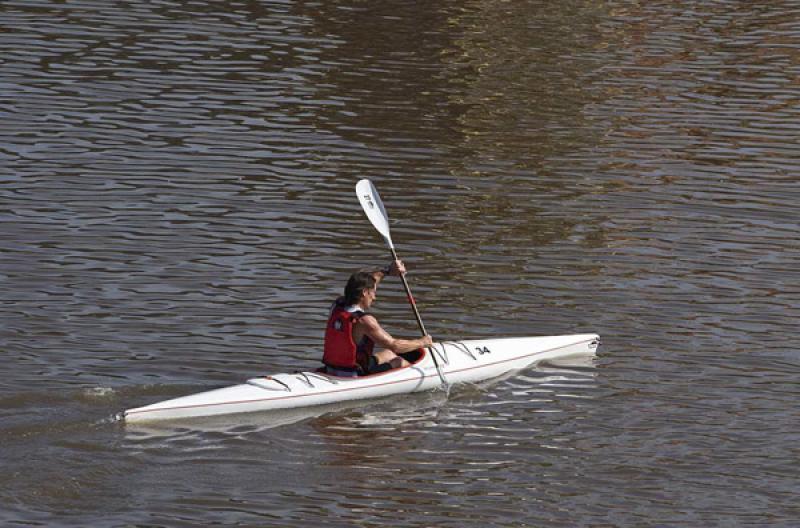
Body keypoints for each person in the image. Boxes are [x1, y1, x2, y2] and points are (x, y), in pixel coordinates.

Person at [323, 260, 433, 377]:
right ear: (365, 292)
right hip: (353, 374)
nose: (374, 298)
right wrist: (422, 342)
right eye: (373, 293)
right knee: (398, 361)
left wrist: (389, 271)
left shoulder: (337, 305)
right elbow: (395, 345)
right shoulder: (365, 321)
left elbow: (370, 280)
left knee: (389, 354)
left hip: (332, 368)